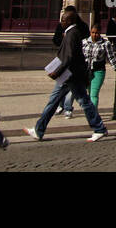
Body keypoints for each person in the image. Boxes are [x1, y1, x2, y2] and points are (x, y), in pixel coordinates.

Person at [25, 7, 108, 142]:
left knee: (84, 101)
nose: (61, 22)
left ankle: (99, 128)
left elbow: (69, 57)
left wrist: (57, 72)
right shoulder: (71, 33)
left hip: (71, 75)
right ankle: (39, 129)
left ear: (69, 21)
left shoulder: (72, 34)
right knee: (54, 101)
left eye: (63, 19)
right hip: (68, 75)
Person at [82, 21, 116, 111]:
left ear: (100, 33)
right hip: (86, 71)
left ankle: (93, 114)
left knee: (94, 94)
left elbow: (111, 57)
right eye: (93, 32)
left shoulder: (105, 43)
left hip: (98, 71)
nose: (94, 35)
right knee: (89, 93)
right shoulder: (84, 42)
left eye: (97, 33)